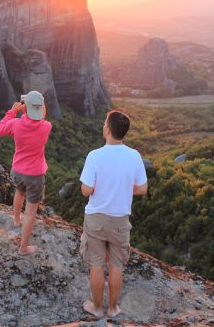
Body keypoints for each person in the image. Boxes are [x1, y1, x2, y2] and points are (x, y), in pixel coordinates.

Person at [79, 110, 148, 318]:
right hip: (120, 220)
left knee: (97, 264)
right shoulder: (134, 155)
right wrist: (125, 188)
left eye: (104, 124)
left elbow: (86, 190)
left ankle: (97, 308)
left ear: (108, 129)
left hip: (96, 219)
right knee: (117, 265)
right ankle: (113, 308)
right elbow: (143, 189)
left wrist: (101, 187)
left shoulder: (95, 156)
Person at [0, 90, 52, 255]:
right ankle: (23, 248)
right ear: (41, 108)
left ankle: (16, 219)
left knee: (19, 192)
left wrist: (13, 112)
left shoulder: (15, 124)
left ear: (25, 107)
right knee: (31, 211)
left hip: (18, 170)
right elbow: (41, 116)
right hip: (35, 175)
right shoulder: (46, 127)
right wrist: (35, 105)